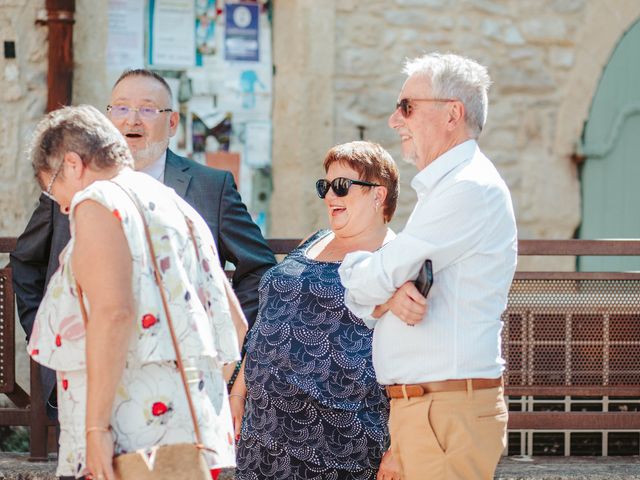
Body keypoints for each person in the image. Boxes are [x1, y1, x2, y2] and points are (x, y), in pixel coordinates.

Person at [10, 69, 276, 420]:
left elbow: (258, 273)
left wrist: (216, 367)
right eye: (120, 108)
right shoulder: (73, 188)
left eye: (148, 109)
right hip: (86, 379)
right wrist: (53, 341)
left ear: (173, 123)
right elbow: (26, 262)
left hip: (172, 390)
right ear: (107, 119)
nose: (131, 119)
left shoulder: (211, 188)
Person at [26, 105, 247, 480]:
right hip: (188, 437)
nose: (61, 205)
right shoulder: (177, 205)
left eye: (53, 189)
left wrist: (96, 428)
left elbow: (114, 313)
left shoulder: (97, 200)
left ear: (74, 164)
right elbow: (235, 323)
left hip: (129, 434)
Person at [339, 53, 518, 480]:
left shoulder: (467, 189)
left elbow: (373, 278)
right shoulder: (453, 186)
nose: (394, 120)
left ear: (452, 113)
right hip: (428, 410)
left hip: (443, 411)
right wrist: (384, 299)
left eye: (407, 107)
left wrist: (372, 284)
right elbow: (373, 290)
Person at [230, 141, 401, 480]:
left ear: (378, 195)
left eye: (342, 186)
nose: (329, 197)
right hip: (263, 428)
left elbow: (412, 360)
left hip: (338, 439)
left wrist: (400, 448)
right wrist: (238, 392)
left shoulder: (393, 258)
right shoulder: (316, 239)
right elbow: (271, 316)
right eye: (325, 186)